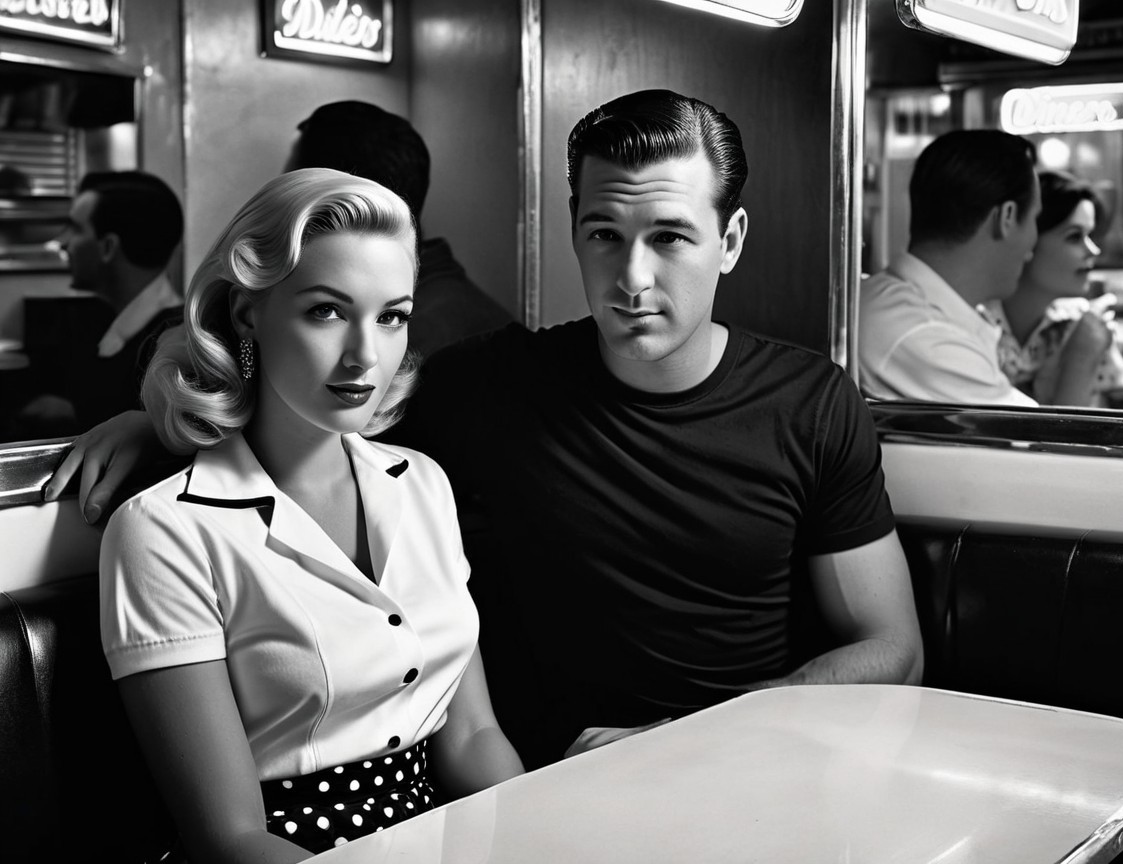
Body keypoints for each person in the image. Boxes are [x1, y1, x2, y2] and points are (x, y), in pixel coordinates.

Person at [49, 90, 923, 772]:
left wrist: (689, 737)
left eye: (670, 237)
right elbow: (315, 400)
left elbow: (891, 647)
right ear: (573, 231)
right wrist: (154, 421)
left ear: (729, 240)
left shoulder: (810, 400)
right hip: (540, 786)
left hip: (757, 766)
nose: (633, 276)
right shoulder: (485, 385)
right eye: (604, 235)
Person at [98, 168, 522, 862]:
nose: (366, 355)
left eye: (391, 316)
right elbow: (226, 836)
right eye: (327, 310)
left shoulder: (423, 485)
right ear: (247, 315)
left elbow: (474, 740)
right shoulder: (165, 532)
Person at [285, 100, 514, 357]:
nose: (282, 211)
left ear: (343, 208)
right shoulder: (448, 306)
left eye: (293, 193)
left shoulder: (404, 353)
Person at [858, 130, 1041, 407]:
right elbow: (1036, 440)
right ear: (1006, 217)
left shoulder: (909, 310)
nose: (1033, 242)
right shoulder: (921, 333)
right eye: (1036, 218)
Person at [16, 170, 184, 436]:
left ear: (108, 247)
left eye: (76, 229)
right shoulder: (104, 320)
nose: (64, 244)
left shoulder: (172, 345)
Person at [981, 170, 1123, 407]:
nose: (1093, 251)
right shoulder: (977, 321)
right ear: (1028, 239)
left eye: (1091, 235)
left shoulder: (1086, 324)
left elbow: (1100, 429)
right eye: (1074, 237)